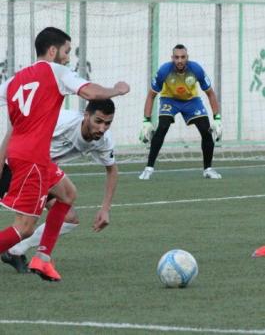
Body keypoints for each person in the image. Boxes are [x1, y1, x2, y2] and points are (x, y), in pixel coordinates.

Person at [0, 27, 129, 281]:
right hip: (33, 159)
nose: (68, 58)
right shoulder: (56, 71)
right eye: (67, 51)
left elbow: (11, 120)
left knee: (68, 193)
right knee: (24, 228)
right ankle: (25, 253)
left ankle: (42, 258)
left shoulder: (16, 79)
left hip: (27, 155)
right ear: (52, 50)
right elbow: (91, 93)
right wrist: (116, 89)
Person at [0, 99, 118, 274]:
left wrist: (105, 209)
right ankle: (40, 256)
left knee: (68, 216)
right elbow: (17, 129)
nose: (102, 128)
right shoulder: (62, 120)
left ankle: (15, 251)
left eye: (107, 123)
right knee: (25, 227)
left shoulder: (104, 140)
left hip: (42, 169)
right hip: (20, 162)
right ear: (86, 116)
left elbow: (112, 170)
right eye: (98, 121)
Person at [139, 44, 222, 180]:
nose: (179, 60)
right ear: (172, 58)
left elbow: (211, 94)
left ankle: (208, 169)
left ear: (187, 58)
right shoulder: (164, 71)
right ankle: (148, 169)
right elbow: (151, 95)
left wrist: (217, 118)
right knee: (163, 127)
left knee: (206, 130)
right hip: (169, 100)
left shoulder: (196, 69)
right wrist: (146, 121)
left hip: (191, 101)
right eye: (176, 57)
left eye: (182, 57)